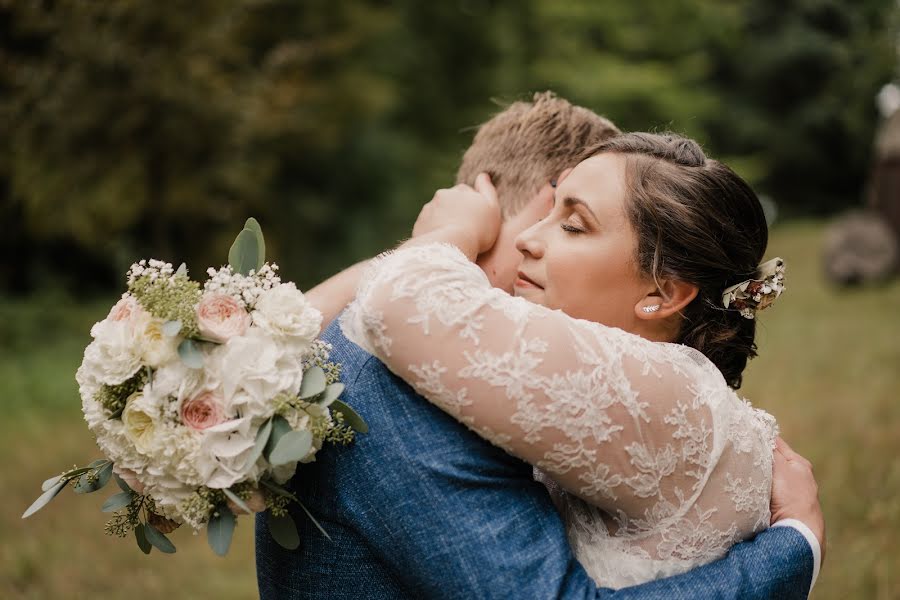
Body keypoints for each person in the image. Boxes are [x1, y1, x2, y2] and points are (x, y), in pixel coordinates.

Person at [256, 94, 824, 598]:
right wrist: (792, 547)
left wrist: (448, 233)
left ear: (662, 292)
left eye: (573, 225)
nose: (531, 239)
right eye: (545, 213)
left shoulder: (671, 391)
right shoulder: (389, 374)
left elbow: (398, 301)